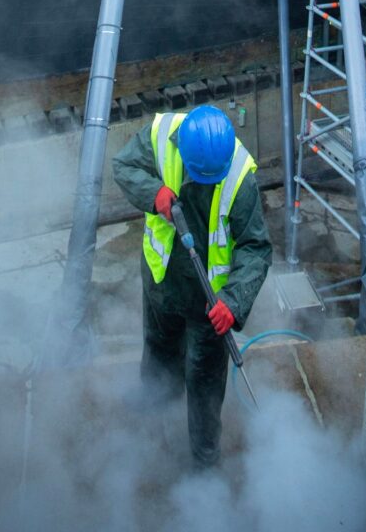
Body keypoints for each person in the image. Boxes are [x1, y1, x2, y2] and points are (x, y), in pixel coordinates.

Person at [112, 105, 272, 469]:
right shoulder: (162, 135)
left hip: (210, 302)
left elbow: (256, 247)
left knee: (203, 378)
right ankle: (154, 404)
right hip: (161, 278)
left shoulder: (239, 177)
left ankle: (204, 457)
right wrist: (153, 192)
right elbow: (123, 166)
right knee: (158, 348)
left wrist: (233, 301)